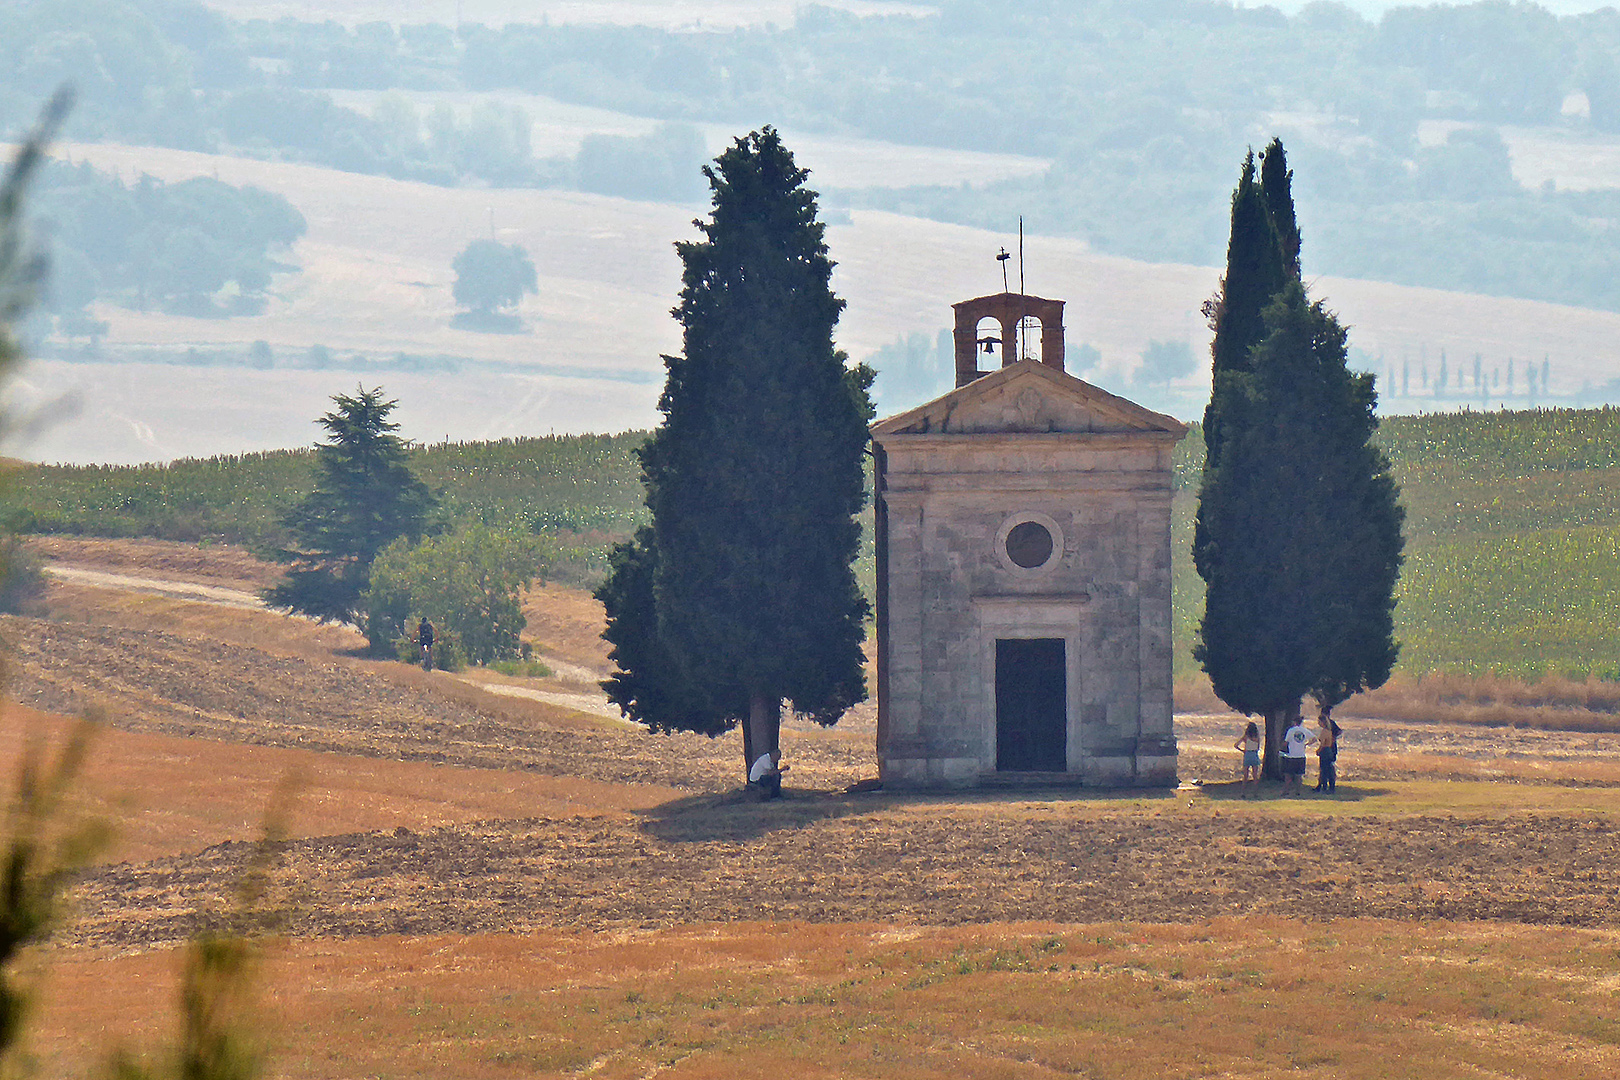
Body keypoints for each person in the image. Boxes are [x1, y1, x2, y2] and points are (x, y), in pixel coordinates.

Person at [1280, 713, 1317, 795]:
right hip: (1301, 756)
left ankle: (1286, 791)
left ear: (1294, 722)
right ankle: (1298, 792)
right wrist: (1306, 744)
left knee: (1288, 775)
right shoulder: (1304, 730)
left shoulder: (1291, 730)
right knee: (1299, 776)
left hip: (1291, 756)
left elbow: (1286, 742)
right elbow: (1314, 738)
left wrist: (1281, 748)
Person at [1314, 706, 1341, 794]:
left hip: (1328, 749)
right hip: (1329, 748)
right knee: (1328, 768)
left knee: (1326, 769)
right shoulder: (1329, 727)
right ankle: (1325, 786)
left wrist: (1332, 738)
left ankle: (1325, 786)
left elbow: (1339, 731)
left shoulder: (1329, 726)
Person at [1233, 720, 1262, 797]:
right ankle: (1255, 793)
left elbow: (1235, 745)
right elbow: (1258, 747)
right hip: (1254, 754)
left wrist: (1243, 751)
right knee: (1255, 776)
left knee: (1245, 776)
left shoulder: (1246, 737)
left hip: (1247, 755)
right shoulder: (1257, 737)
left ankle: (1243, 793)